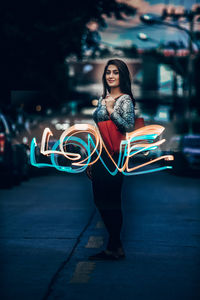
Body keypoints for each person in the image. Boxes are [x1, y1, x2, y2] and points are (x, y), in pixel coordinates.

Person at [88, 59, 135, 260]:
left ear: (122, 76)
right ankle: (114, 245)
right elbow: (99, 131)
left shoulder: (125, 100)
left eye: (115, 72)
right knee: (99, 200)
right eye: (108, 72)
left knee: (113, 202)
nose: (111, 76)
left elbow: (129, 126)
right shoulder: (103, 98)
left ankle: (115, 247)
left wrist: (110, 110)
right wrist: (91, 158)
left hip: (115, 156)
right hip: (100, 155)